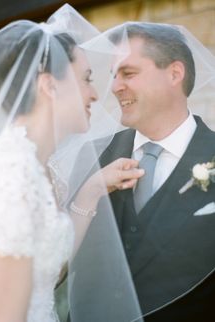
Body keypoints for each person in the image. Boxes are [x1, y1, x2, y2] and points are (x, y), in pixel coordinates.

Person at [0, 6, 144, 322]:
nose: (95, 94)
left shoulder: (41, 168)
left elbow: (45, 271)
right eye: (86, 79)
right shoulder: (8, 176)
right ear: (49, 85)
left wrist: (92, 189)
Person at [68, 22, 215, 322]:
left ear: (175, 73)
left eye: (128, 73)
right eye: (114, 75)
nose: (114, 86)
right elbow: (62, 256)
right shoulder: (93, 155)